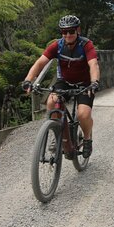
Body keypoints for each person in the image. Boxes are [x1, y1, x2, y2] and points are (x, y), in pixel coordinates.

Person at [22, 15, 100, 158]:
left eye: (71, 31)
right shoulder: (57, 46)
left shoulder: (86, 45)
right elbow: (40, 63)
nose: (68, 35)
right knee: (52, 102)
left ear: (78, 31)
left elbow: (93, 64)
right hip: (64, 81)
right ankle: (58, 135)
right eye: (64, 32)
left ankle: (87, 138)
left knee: (83, 114)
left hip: (85, 84)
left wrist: (95, 82)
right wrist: (28, 80)